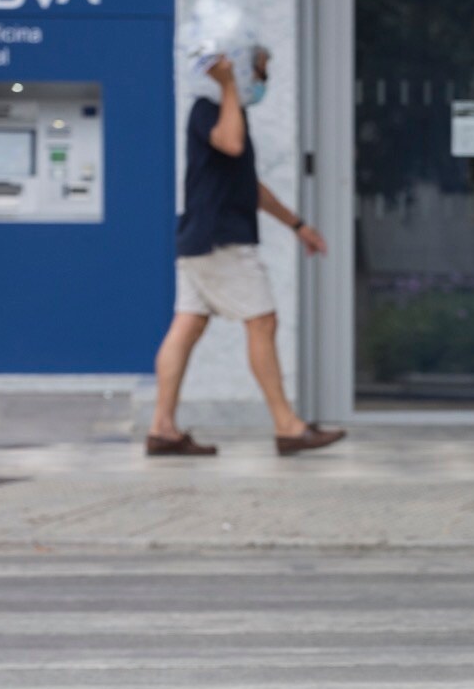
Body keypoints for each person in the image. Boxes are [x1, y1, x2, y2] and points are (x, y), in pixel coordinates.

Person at [147, 47, 345, 457]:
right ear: (238, 69)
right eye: (261, 70)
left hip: (201, 239)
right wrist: (228, 86)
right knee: (262, 321)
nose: (265, 80)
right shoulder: (209, 110)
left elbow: (249, 186)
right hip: (220, 240)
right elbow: (231, 144)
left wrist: (297, 225)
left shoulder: (226, 111)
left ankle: (162, 429)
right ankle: (287, 427)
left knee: (187, 327)